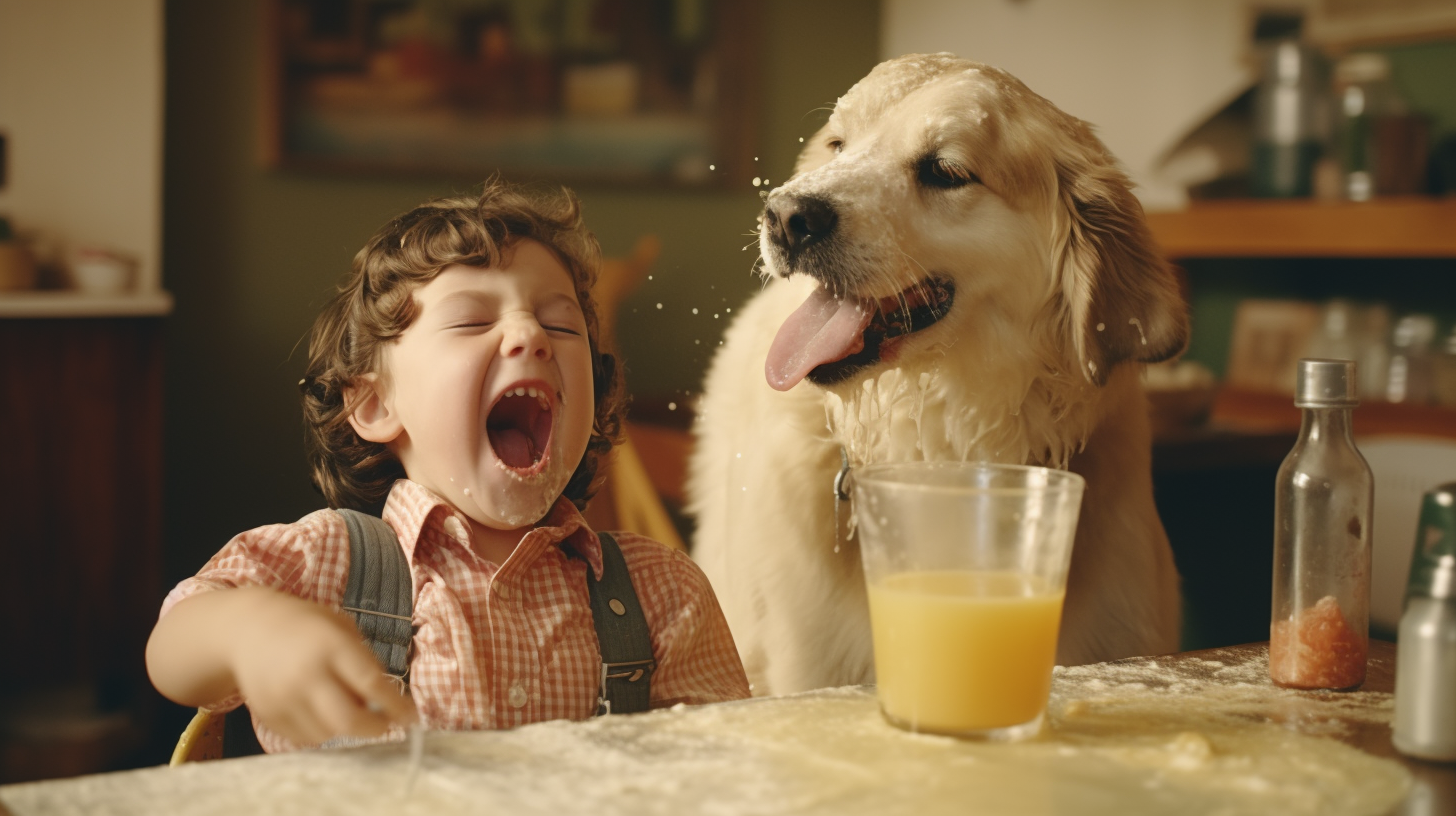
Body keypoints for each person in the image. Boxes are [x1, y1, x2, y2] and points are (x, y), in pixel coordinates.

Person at [146, 183, 750, 753]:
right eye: (472, 321)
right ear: (376, 404)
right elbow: (173, 648)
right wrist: (252, 632)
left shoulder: (662, 594)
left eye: (560, 324)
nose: (531, 335)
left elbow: (719, 772)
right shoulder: (328, 563)